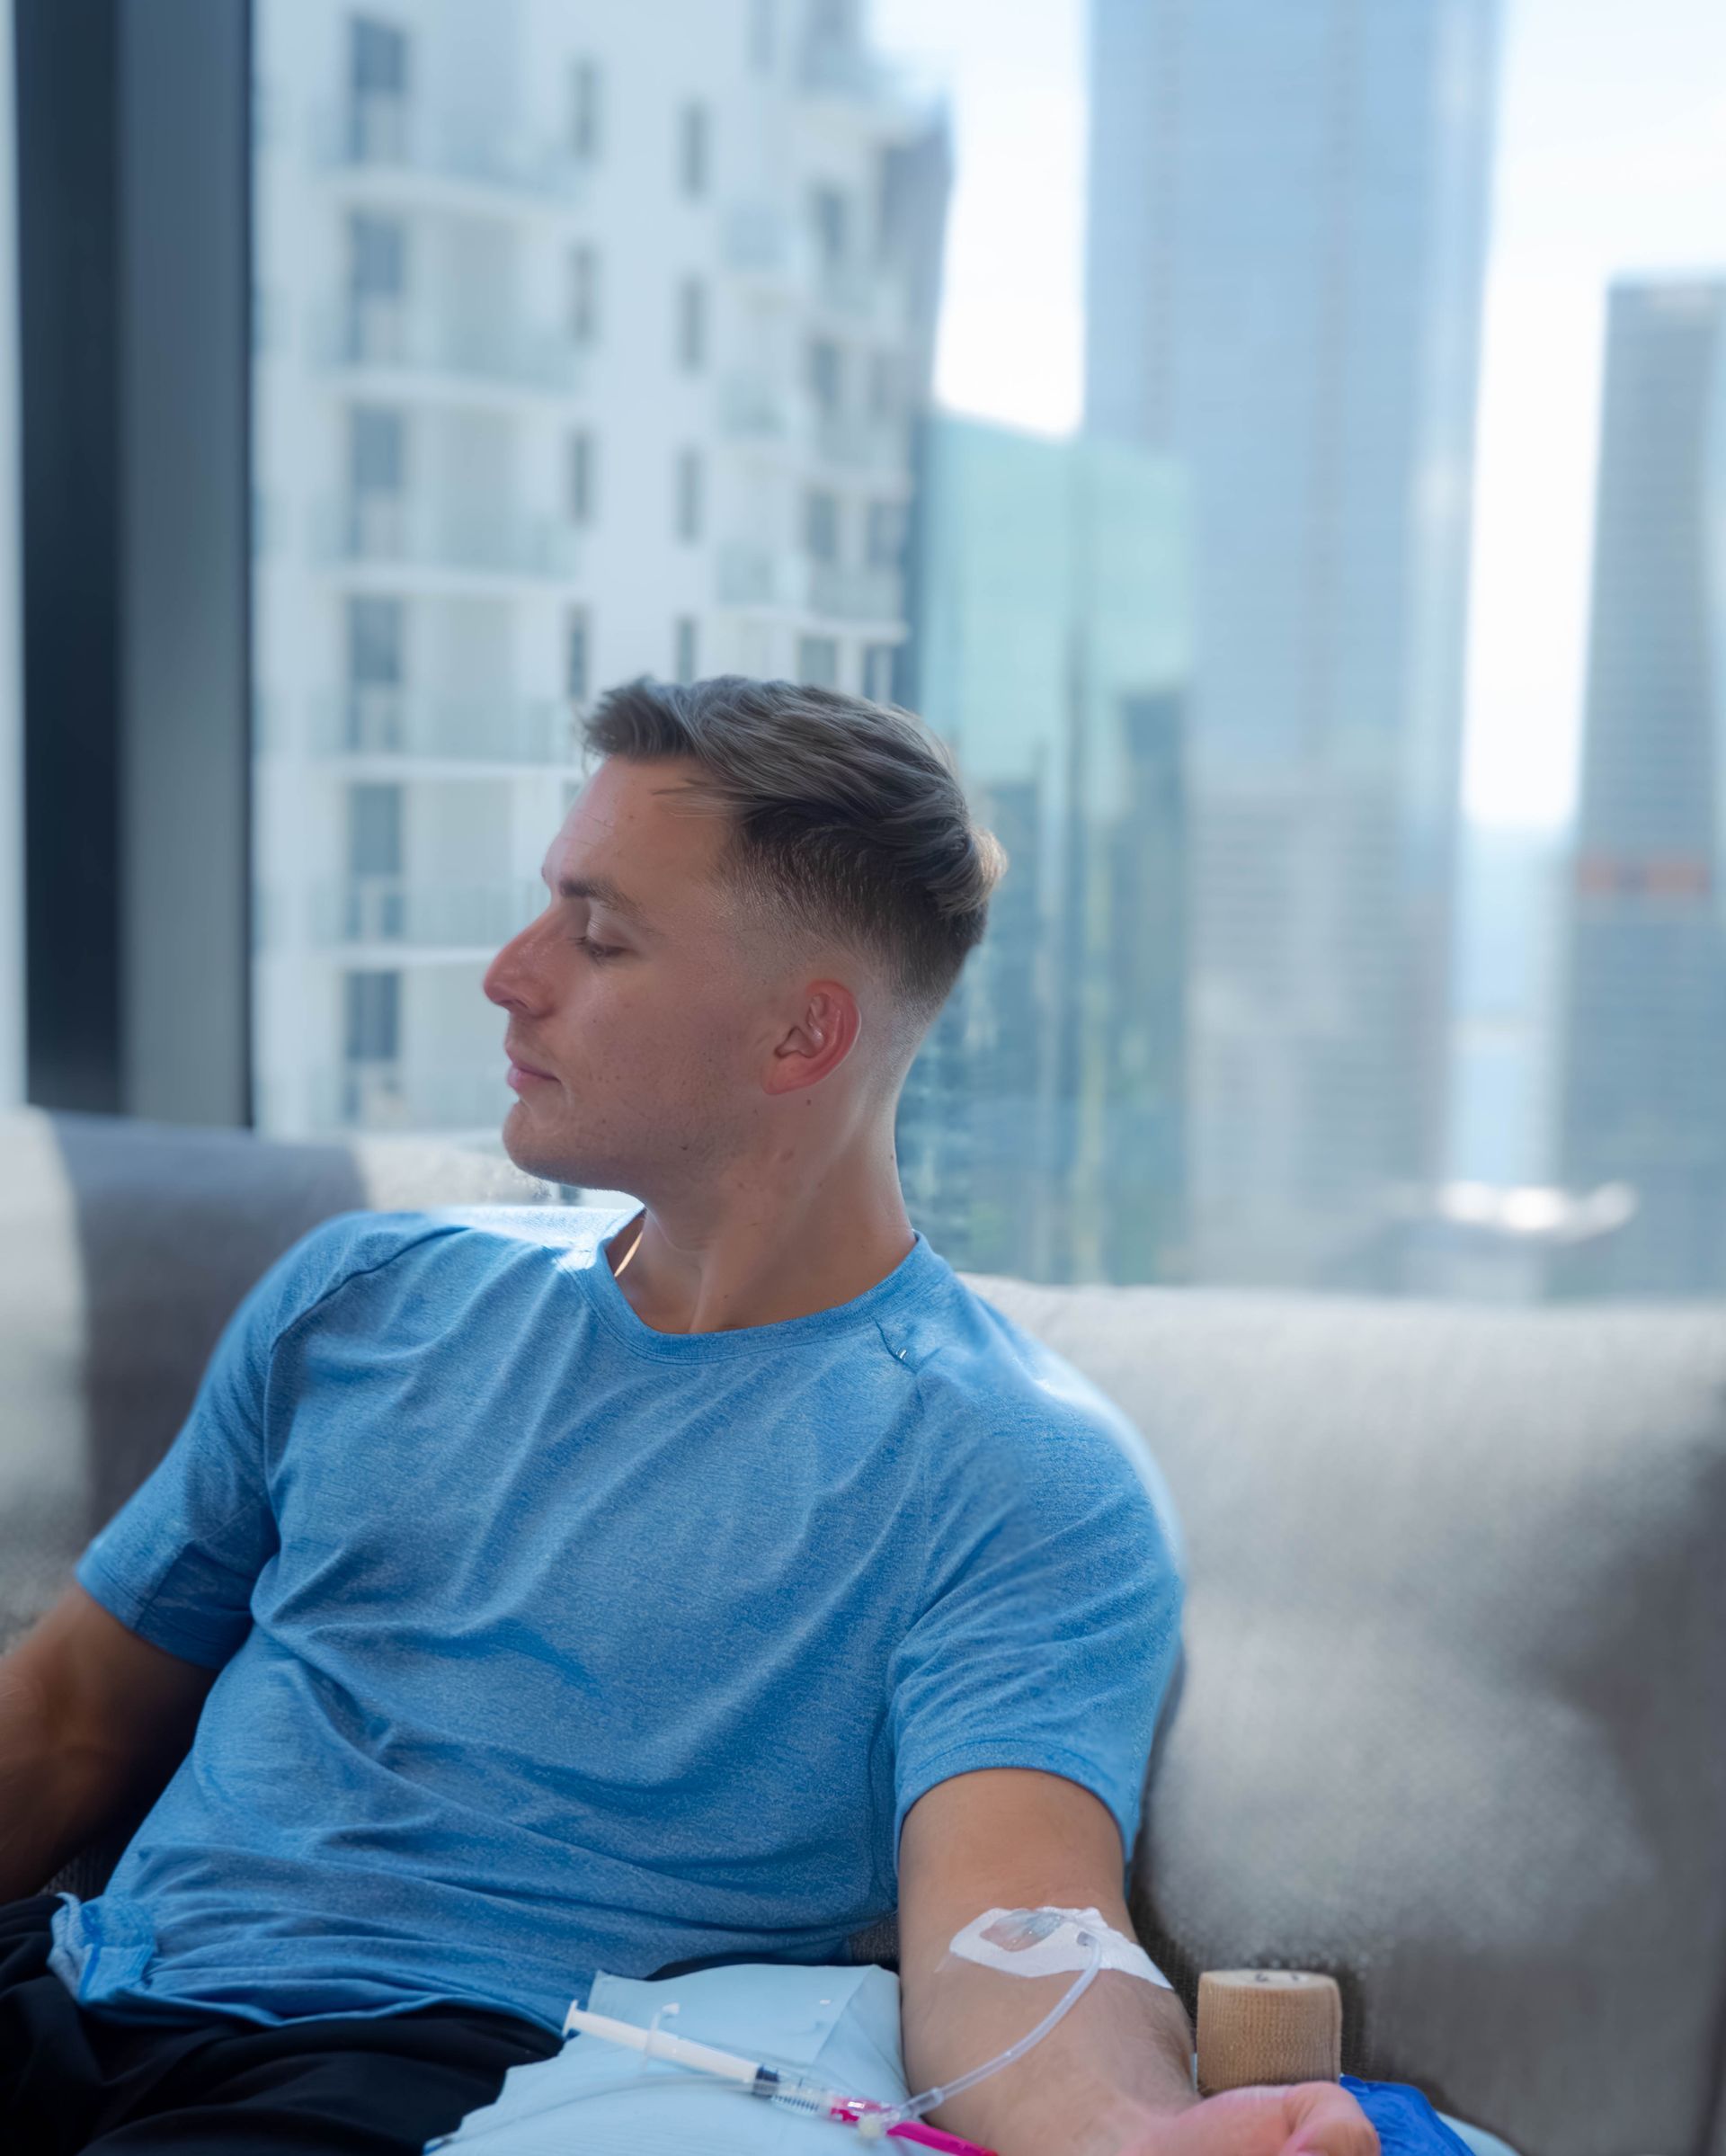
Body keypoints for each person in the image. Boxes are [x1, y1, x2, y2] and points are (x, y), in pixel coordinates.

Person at [0, 677, 1377, 2155]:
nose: (509, 975)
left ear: (801, 1035)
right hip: (76, 1978)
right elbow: (68, 1720)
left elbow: (1015, 1928)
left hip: (421, 2074)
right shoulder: (365, 1296)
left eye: (598, 937)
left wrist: (1125, 2134)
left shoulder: (1010, 1468)